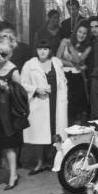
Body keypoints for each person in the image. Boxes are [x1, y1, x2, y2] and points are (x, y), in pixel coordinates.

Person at [21, 40, 68, 174]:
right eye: (40, 48)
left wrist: (64, 97)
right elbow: (22, 84)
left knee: (56, 131)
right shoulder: (30, 65)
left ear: (50, 51)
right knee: (40, 134)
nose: (43, 51)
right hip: (39, 103)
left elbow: (63, 81)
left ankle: (56, 160)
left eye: (46, 49)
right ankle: (40, 162)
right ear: (36, 50)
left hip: (56, 102)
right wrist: (36, 90)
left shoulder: (56, 62)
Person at [0, 38, 24, 188]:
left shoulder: (13, 70)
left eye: (4, 54)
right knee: (0, 143)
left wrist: (8, 88)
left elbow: (21, 93)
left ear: (10, 54)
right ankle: (10, 171)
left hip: (7, 113)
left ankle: (13, 175)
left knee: (9, 145)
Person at [57, 22, 92, 123]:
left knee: (77, 108)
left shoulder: (88, 47)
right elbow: (57, 59)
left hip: (77, 78)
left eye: (84, 33)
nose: (81, 35)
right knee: (64, 105)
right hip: (64, 76)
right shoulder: (64, 41)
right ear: (75, 31)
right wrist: (73, 65)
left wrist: (71, 47)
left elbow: (79, 60)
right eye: (79, 32)